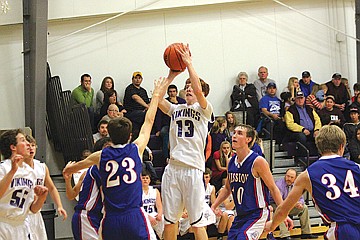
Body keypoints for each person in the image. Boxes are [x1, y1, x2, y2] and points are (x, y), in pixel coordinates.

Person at [63, 75, 171, 240]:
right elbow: (148, 121)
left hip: (110, 219)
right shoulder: (135, 149)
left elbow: (75, 167)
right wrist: (156, 96)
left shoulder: (100, 155)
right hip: (133, 215)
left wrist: (69, 170)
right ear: (129, 136)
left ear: (109, 137)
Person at [157, 44, 213, 240]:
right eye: (186, 86)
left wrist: (188, 63)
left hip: (193, 169)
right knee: (170, 221)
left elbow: (198, 90)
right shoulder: (175, 109)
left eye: (192, 86)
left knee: (197, 224)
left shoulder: (205, 110)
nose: (189, 88)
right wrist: (171, 76)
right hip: (173, 169)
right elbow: (157, 99)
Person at [264, 125, 360, 240]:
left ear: (318, 146)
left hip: (343, 230)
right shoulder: (357, 167)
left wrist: (272, 224)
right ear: (342, 146)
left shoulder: (307, 174)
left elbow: (283, 209)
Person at [210, 124, 293, 240]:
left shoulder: (258, 161)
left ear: (248, 139)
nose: (234, 135)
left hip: (257, 214)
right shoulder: (231, 161)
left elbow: (273, 189)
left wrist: (283, 214)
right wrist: (213, 206)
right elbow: (228, 188)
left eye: (239, 133)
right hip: (240, 215)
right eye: (234, 132)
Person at [0, 129, 48, 240]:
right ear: (13, 147)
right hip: (2, 222)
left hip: (21, 225)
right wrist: (12, 171)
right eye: (23, 140)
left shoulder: (30, 172)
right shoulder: (3, 168)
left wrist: (42, 197)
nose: (28, 144)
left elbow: (32, 209)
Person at [24, 135, 68, 240]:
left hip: (36, 213)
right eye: (28, 146)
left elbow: (52, 188)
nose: (31, 148)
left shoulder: (42, 167)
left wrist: (60, 206)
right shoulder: (17, 168)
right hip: (22, 214)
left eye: (33, 145)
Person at [271, 168, 317, 239]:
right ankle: (285, 235)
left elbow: (301, 198)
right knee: (281, 210)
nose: (288, 178)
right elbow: (280, 202)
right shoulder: (279, 184)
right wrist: (293, 203)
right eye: (287, 176)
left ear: (295, 178)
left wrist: (300, 204)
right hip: (276, 205)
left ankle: (306, 233)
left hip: (289, 205)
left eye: (291, 177)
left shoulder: (297, 184)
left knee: (304, 208)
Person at [64, 161, 102, 240]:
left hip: (97, 217)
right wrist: (68, 180)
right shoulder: (90, 172)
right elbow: (71, 195)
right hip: (86, 216)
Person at [154, 84, 186, 160]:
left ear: (176, 92)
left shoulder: (182, 101)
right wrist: (158, 129)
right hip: (167, 125)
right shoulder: (165, 102)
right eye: (170, 91)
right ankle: (166, 158)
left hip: (180, 125)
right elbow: (158, 116)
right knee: (165, 134)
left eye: (174, 91)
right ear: (168, 93)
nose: (172, 93)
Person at [123, 71, 150, 137]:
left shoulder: (143, 90)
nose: (137, 80)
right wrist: (147, 106)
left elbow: (148, 102)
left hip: (142, 112)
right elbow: (136, 98)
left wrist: (148, 107)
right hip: (131, 112)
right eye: (136, 78)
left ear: (141, 80)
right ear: (132, 79)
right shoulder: (130, 88)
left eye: (139, 78)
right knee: (144, 115)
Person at [141, 170, 164, 239]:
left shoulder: (155, 191)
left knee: (163, 220)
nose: (145, 180)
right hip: (143, 215)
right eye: (143, 178)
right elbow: (138, 208)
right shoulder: (137, 191)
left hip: (153, 214)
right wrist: (148, 217)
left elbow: (159, 206)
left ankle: (163, 237)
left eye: (147, 178)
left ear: (150, 180)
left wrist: (159, 214)